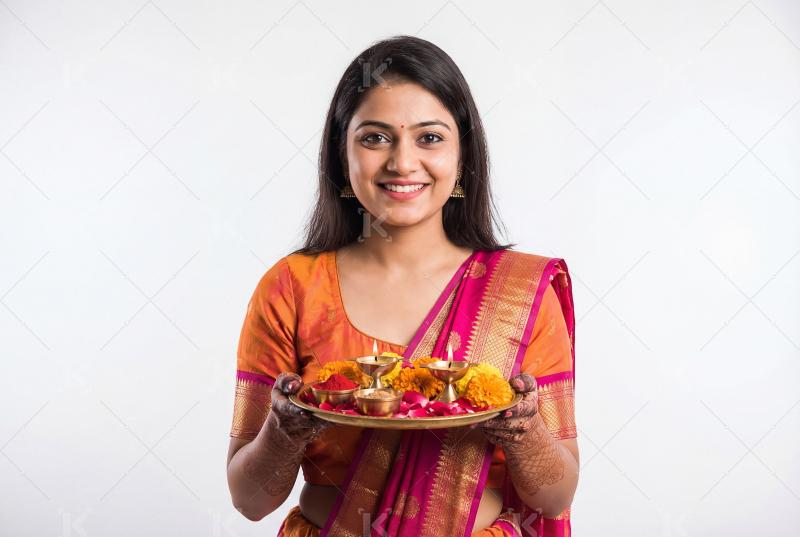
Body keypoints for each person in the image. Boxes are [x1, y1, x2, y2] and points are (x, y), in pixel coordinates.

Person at [226, 35, 579, 537]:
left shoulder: (519, 293)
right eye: (375, 137)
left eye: (430, 138)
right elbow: (249, 499)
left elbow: (555, 496)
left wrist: (523, 431)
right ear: (340, 155)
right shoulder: (292, 288)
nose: (402, 163)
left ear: (464, 157)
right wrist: (284, 432)